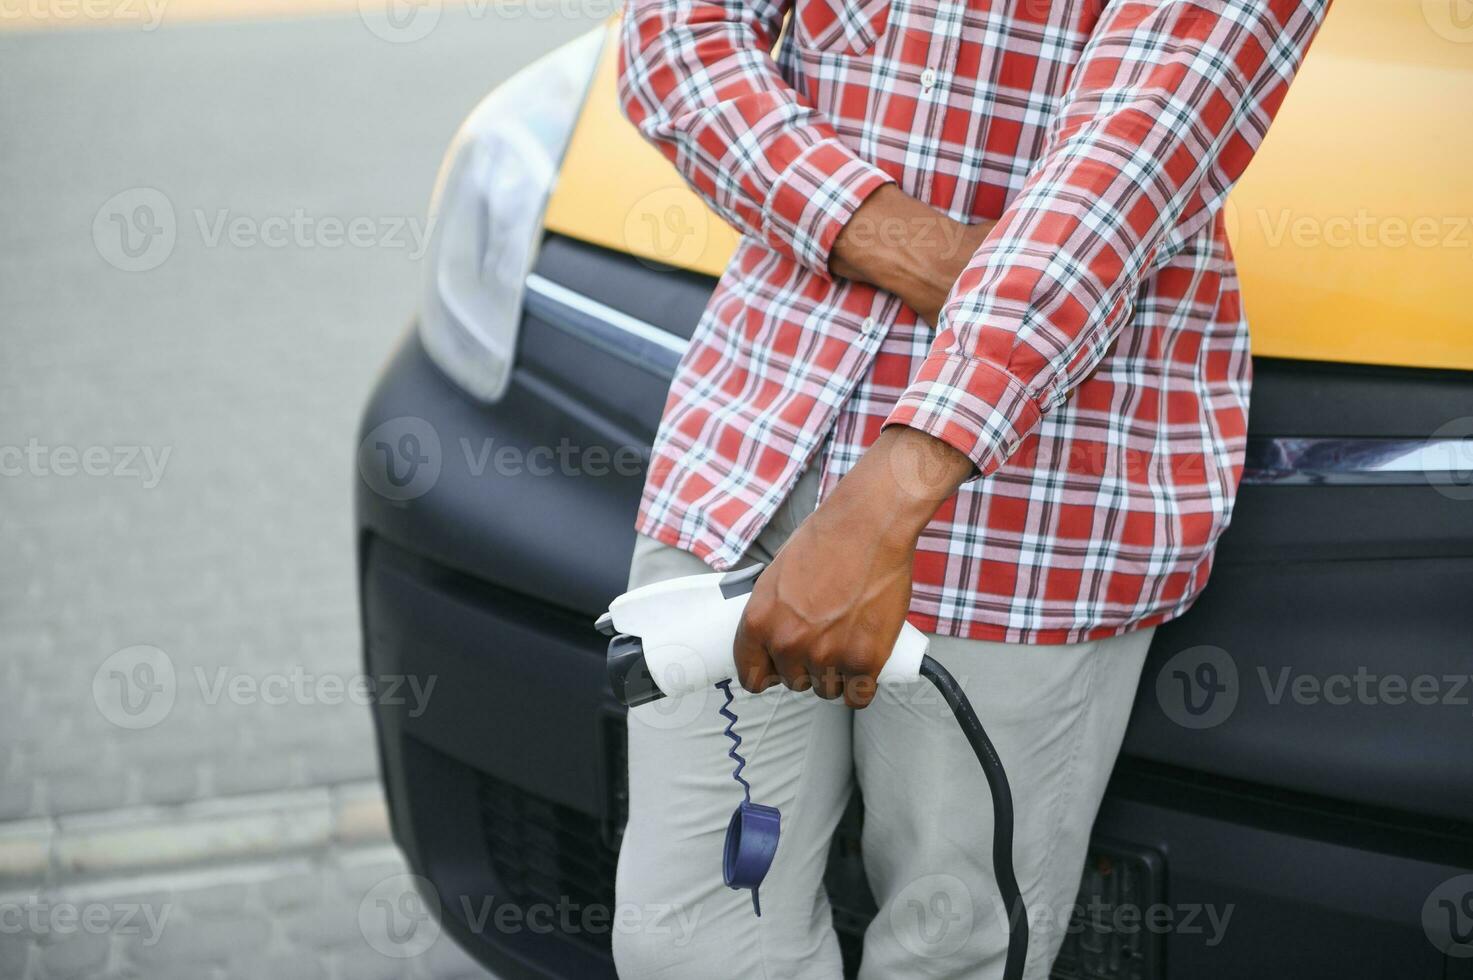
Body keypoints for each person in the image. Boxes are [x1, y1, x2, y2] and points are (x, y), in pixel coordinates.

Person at [613, 0, 1328, 976]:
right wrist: (900, 238)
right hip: (756, 423)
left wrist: (886, 497)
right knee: (686, 939)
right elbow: (675, 40)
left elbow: (1121, 172)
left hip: (1037, 496)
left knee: (948, 947)